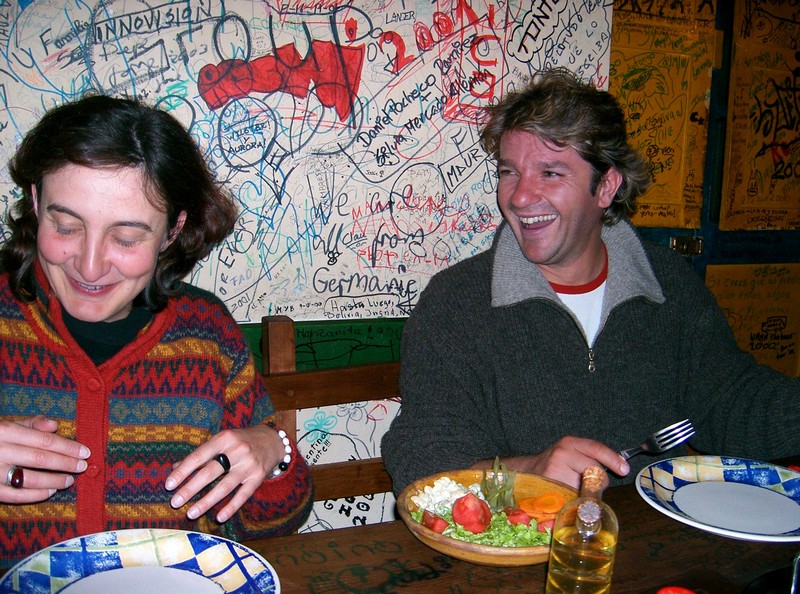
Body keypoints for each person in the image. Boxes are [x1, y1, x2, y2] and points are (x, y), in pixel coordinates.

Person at [382, 68, 800, 495]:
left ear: (606, 187)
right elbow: (422, 455)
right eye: (509, 172)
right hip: (520, 548)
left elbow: (731, 404)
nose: (520, 197)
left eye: (550, 173)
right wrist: (527, 474)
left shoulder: (669, 284)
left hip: (654, 543)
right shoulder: (457, 303)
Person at [0, 95, 312, 569]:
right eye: (65, 225)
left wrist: (274, 451)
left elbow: (278, 522)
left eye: (126, 238)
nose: (89, 264)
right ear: (35, 203)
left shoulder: (208, 334)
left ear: (171, 232)